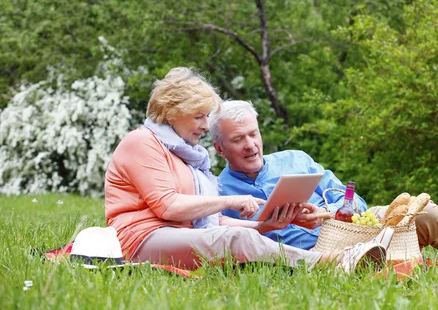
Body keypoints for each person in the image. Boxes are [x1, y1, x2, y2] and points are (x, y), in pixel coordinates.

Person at [104, 67, 388, 273]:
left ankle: (358, 252)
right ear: (172, 112)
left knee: (243, 235)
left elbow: (212, 221)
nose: (204, 125)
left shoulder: (185, 156)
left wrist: (264, 226)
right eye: (198, 116)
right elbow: (168, 206)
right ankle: (333, 263)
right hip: (139, 238)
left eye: (206, 117)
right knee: (238, 239)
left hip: (177, 233)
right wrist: (230, 201)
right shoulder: (142, 141)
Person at [210, 100, 438, 269]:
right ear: (220, 149)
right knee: (400, 262)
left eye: (253, 134)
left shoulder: (295, 159)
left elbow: (354, 201)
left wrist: (324, 213)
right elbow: (227, 242)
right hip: (320, 254)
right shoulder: (219, 193)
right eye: (238, 139)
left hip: (352, 224)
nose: (251, 146)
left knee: (427, 213)